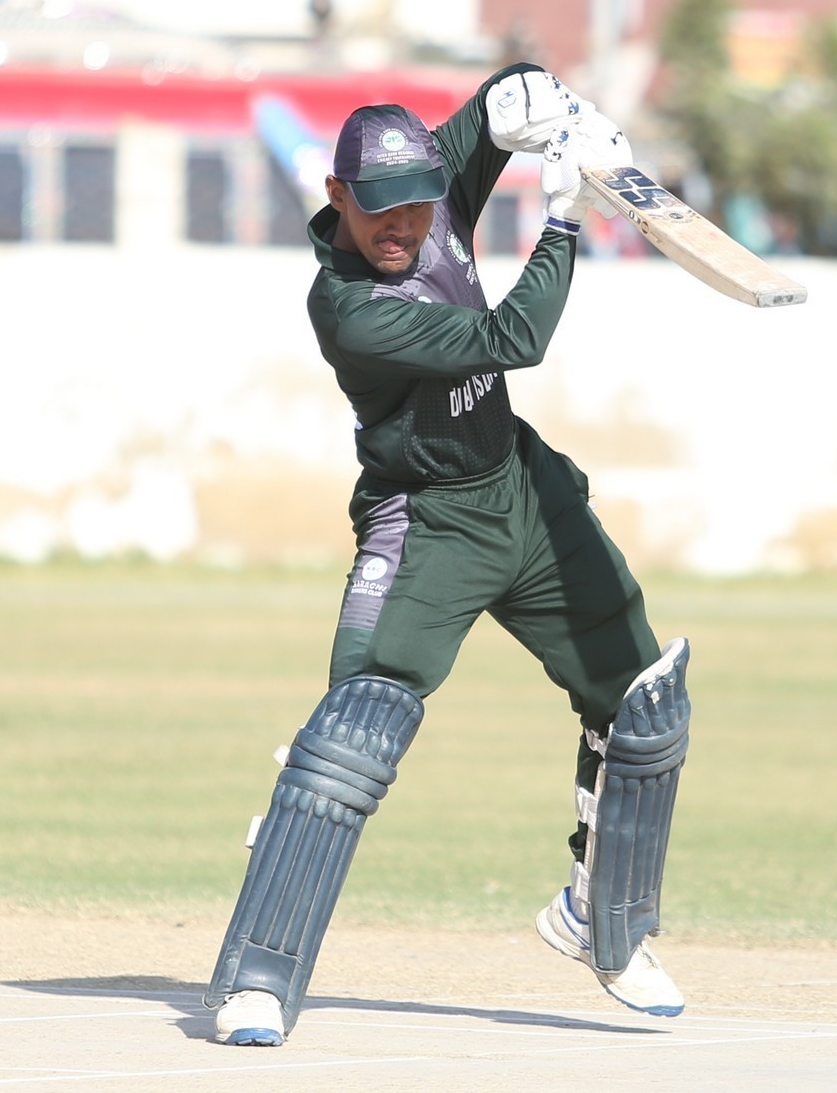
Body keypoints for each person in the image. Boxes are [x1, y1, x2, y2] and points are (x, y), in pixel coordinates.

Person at [204, 64, 692, 1046]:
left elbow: (502, 103)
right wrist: (564, 215)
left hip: (521, 488)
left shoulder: (432, 187)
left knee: (642, 701)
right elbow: (516, 337)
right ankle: (257, 976)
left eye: (417, 205)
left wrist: (559, 113)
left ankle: (604, 922)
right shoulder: (350, 307)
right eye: (377, 207)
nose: (401, 226)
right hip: (427, 519)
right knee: (355, 731)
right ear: (337, 194)